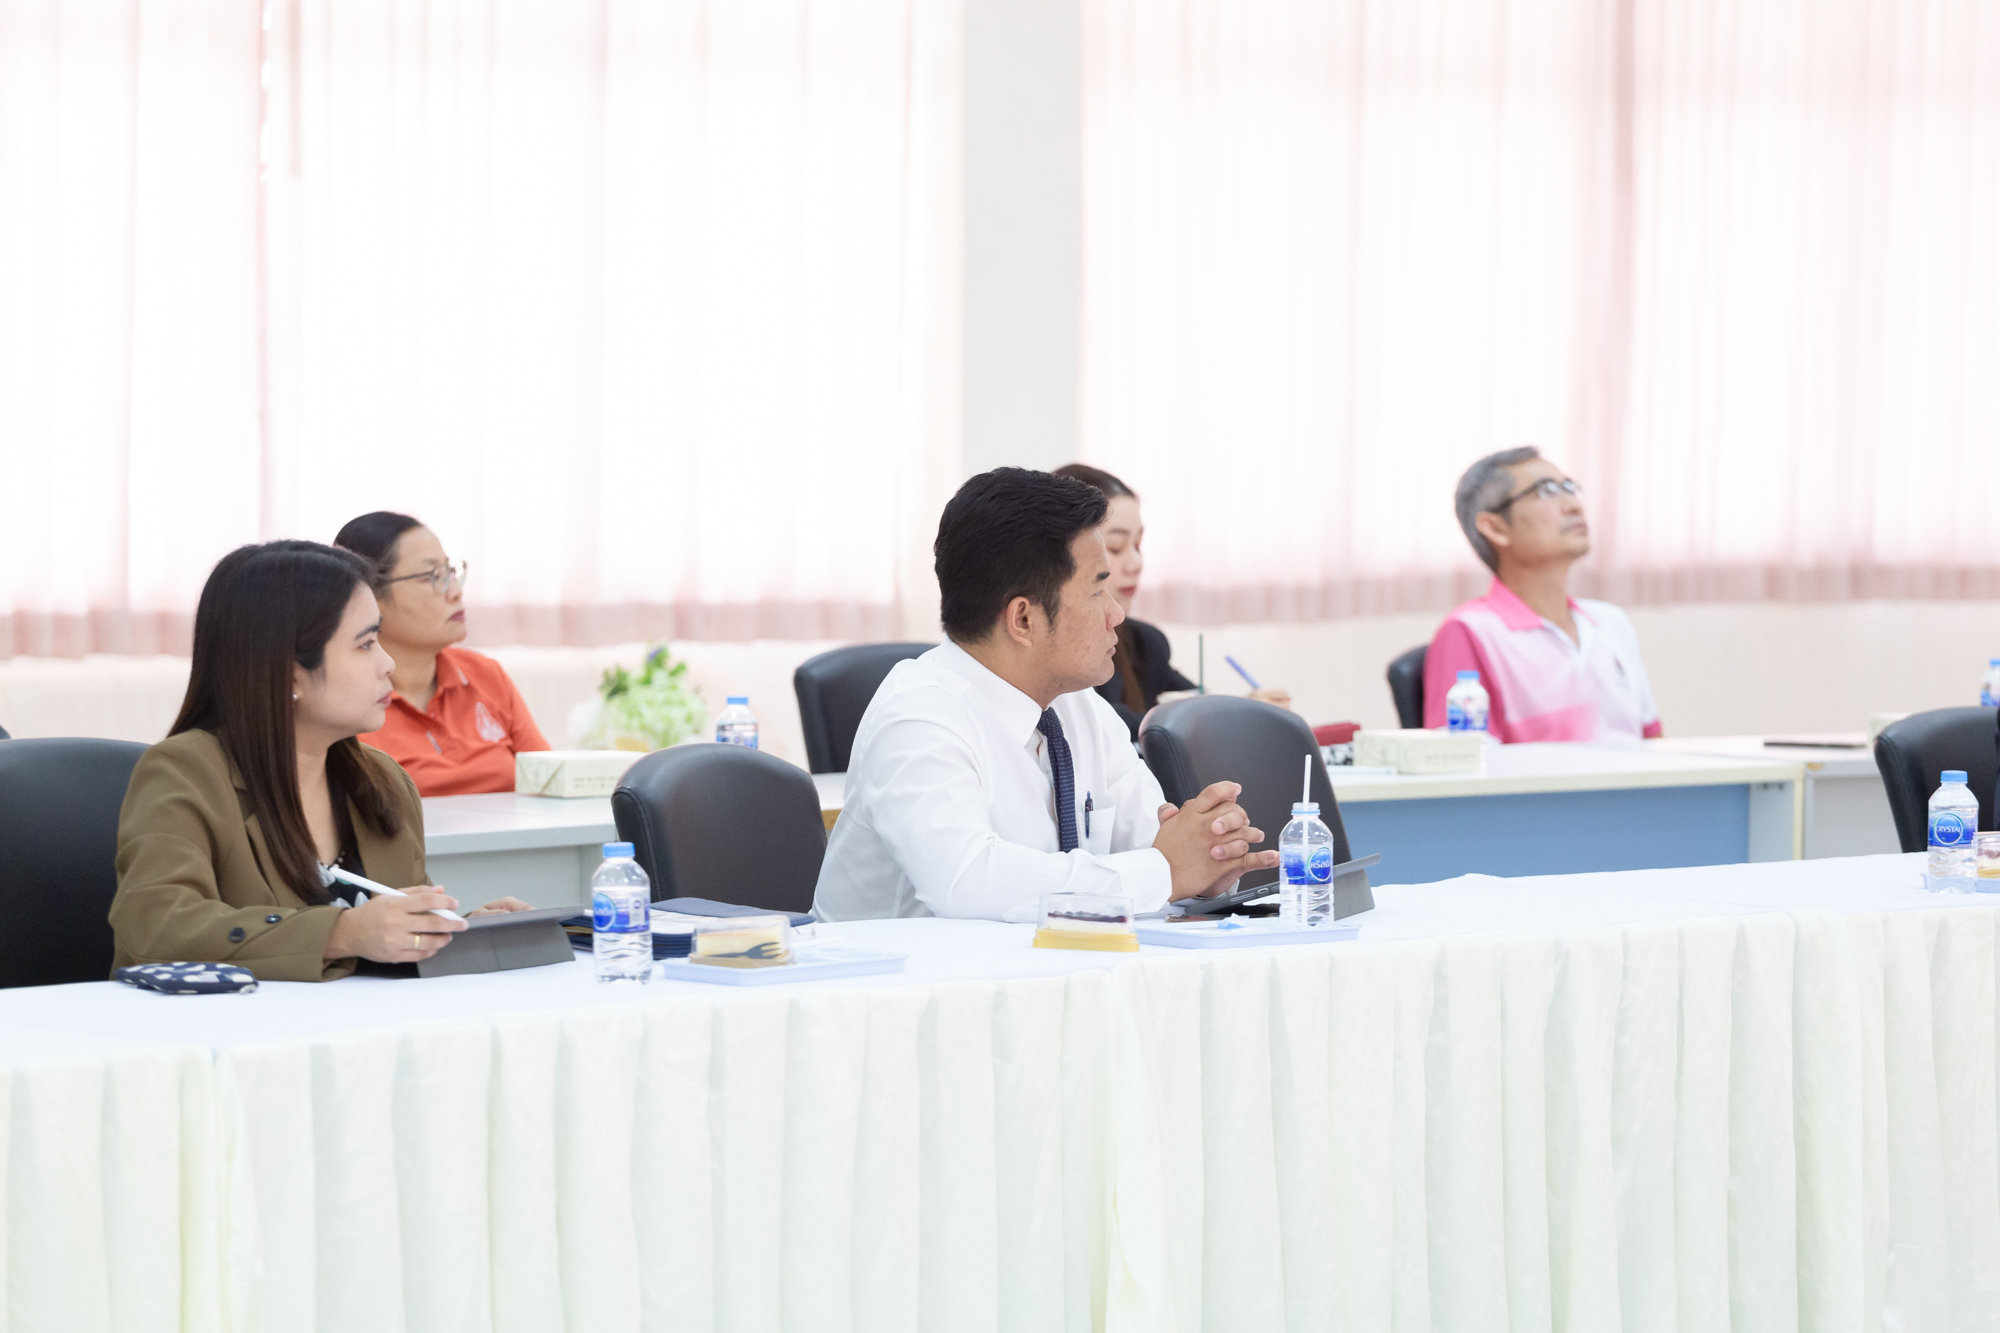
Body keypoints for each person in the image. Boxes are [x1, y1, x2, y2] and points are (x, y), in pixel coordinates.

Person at [812, 467, 1279, 923]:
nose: (1117, 614)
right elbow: (967, 881)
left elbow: (1156, 850)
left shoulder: (1079, 707)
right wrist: (1164, 871)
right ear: (1023, 619)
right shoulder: (918, 716)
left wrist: (1205, 863)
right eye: (1097, 591)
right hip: (898, 974)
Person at [109, 541, 529, 981]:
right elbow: (156, 927)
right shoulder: (183, 773)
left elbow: (388, 943)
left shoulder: (384, 782)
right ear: (292, 676)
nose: (387, 664)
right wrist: (340, 933)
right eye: (366, 645)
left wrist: (459, 932)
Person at [1424, 447, 1661, 742]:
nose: (1573, 505)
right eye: (1546, 491)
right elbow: (1459, 763)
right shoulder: (1469, 631)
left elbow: (1652, 741)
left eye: (1569, 488)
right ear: (1495, 528)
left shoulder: (1611, 622)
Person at [1051, 464, 1293, 739]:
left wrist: (1244, 711)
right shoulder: (1052, 655)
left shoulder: (1146, 643)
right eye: (1115, 548)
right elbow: (1099, 721)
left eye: (1138, 545)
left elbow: (1195, 706)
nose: (1136, 564)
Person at [334, 512, 550, 795]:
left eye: (450, 573)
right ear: (368, 595)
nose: (456, 592)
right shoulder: (343, 701)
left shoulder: (485, 674)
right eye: (433, 577)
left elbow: (551, 781)